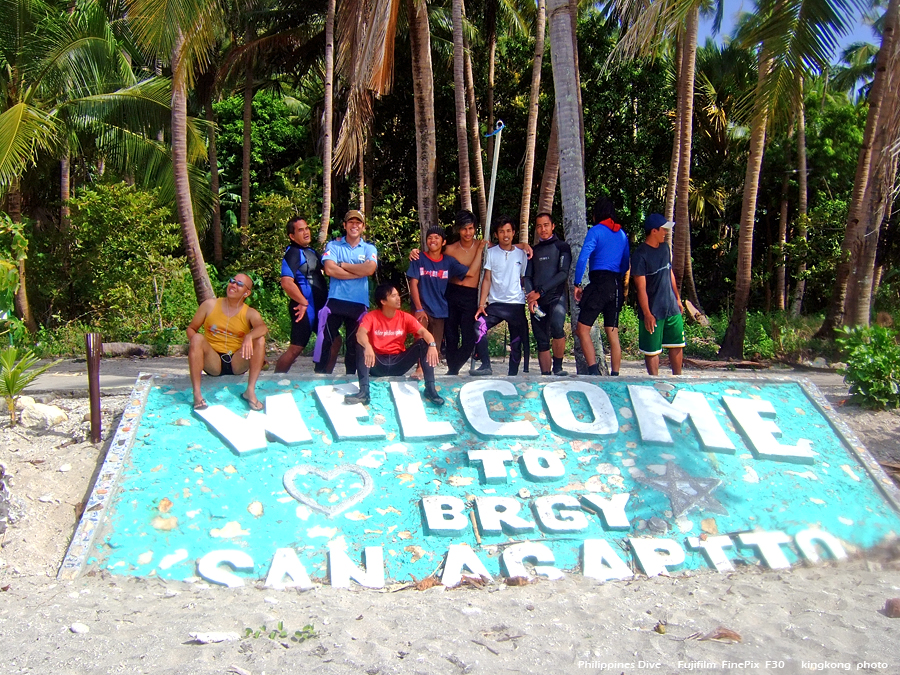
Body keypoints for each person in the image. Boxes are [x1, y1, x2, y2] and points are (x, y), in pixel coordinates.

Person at [410, 210, 532, 375]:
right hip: (452, 294)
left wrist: (523, 246)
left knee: (469, 338)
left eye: (470, 228)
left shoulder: (484, 246)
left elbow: (505, 247)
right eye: (463, 229)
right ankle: (451, 371)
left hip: (471, 296)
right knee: (451, 336)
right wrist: (415, 252)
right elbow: (433, 254)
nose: (467, 232)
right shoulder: (450, 249)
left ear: (475, 229)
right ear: (458, 230)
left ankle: (454, 367)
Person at [343, 284, 444, 406]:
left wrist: (432, 345)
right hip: (377, 363)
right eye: (393, 296)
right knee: (361, 345)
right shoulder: (372, 316)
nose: (398, 298)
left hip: (398, 363)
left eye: (398, 295)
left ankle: (430, 389)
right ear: (383, 301)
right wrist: (368, 346)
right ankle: (364, 392)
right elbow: (360, 333)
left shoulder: (404, 317)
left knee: (423, 343)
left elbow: (424, 332)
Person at [187, 273, 268, 411]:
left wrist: (249, 337)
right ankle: (197, 394)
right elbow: (191, 328)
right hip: (213, 361)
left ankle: (250, 391)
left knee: (259, 339)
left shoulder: (250, 313)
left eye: (239, 284)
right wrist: (196, 347)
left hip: (237, 361)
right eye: (232, 281)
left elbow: (263, 328)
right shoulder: (209, 305)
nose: (234, 285)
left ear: (246, 293)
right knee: (197, 338)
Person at [313, 210, 378, 375]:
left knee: (354, 344)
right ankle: (319, 375)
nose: (354, 225)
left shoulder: (369, 248)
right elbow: (329, 269)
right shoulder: (333, 245)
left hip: (359, 303)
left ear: (363, 227)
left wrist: (343, 265)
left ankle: (351, 377)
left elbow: (370, 269)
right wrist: (358, 272)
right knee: (325, 339)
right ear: (345, 225)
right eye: (351, 222)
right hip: (336, 300)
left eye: (358, 223)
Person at [573, 197, 630, 376]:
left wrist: (577, 283)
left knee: (582, 329)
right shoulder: (622, 234)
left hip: (599, 283)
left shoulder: (596, 231)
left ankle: (594, 372)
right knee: (612, 333)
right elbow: (626, 262)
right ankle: (615, 375)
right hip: (616, 284)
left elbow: (583, 258)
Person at [406, 225, 469, 377]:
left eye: (436, 237)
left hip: (440, 310)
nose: (432, 240)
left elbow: (467, 272)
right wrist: (419, 308)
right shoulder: (418, 258)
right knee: (420, 339)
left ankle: (429, 373)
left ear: (443, 242)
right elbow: (413, 283)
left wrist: (481, 250)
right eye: (429, 237)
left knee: (435, 344)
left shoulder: (449, 262)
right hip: (422, 308)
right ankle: (420, 369)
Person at [471, 216, 529, 377]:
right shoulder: (491, 253)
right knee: (478, 327)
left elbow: (524, 278)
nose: (505, 235)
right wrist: (482, 304)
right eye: (502, 231)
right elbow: (487, 279)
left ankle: (513, 376)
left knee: (516, 342)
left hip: (516, 304)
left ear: (514, 233)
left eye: (509, 231)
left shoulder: (521, 254)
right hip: (496, 304)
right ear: (496, 234)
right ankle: (486, 365)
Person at [632, 213, 684, 376]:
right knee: (652, 350)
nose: (666, 233)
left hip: (671, 306)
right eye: (663, 229)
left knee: (677, 344)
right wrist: (647, 313)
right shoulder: (640, 255)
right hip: (653, 309)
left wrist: (678, 299)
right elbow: (641, 288)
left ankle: (678, 378)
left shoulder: (665, 248)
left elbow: (670, 274)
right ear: (654, 231)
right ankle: (653, 382)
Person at [275, 216, 328, 373]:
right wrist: (303, 302)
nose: (306, 232)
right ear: (292, 236)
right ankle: (275, 381)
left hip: (319, 308)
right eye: (300, 230)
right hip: (304, 309)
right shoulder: (292, 253)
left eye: (307, 228)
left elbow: (328, 268)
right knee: (296, 348)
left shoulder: (311, 252)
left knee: (333, 342)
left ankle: (322, 377)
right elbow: (286, 282)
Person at [524, 212, 572, 376]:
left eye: (546, 225)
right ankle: (545, 374)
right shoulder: (534, 250)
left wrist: (540, 291)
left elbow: (563, 273)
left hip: (555, 297)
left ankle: (558, 367)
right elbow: (528, 276)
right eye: (539, 226)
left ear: (553, 226)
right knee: (541, 339)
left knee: (557, 327)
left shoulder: (562, 247)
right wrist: (531, 297)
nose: (542, 229)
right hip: (537, 300)